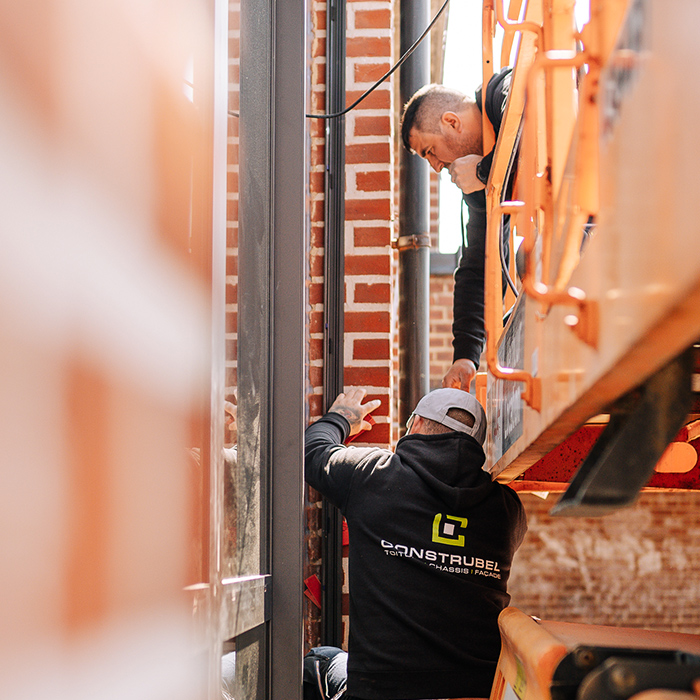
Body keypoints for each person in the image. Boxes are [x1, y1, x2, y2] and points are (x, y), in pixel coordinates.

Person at [304, 387, 527, 700]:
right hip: (475, 690)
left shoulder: (373, 476)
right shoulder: (507, 510)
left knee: (321, 661)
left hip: (382, 691)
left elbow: (313, 451)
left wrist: (341, 417)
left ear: (418, 424)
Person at [400, 68, 514, 392]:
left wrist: (483, 171)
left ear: (451, 121)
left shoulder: (503, 90)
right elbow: (476, 265)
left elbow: (532, 130)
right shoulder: (481, 188)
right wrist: (465, 355)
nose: (436, 167)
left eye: (430, 151)